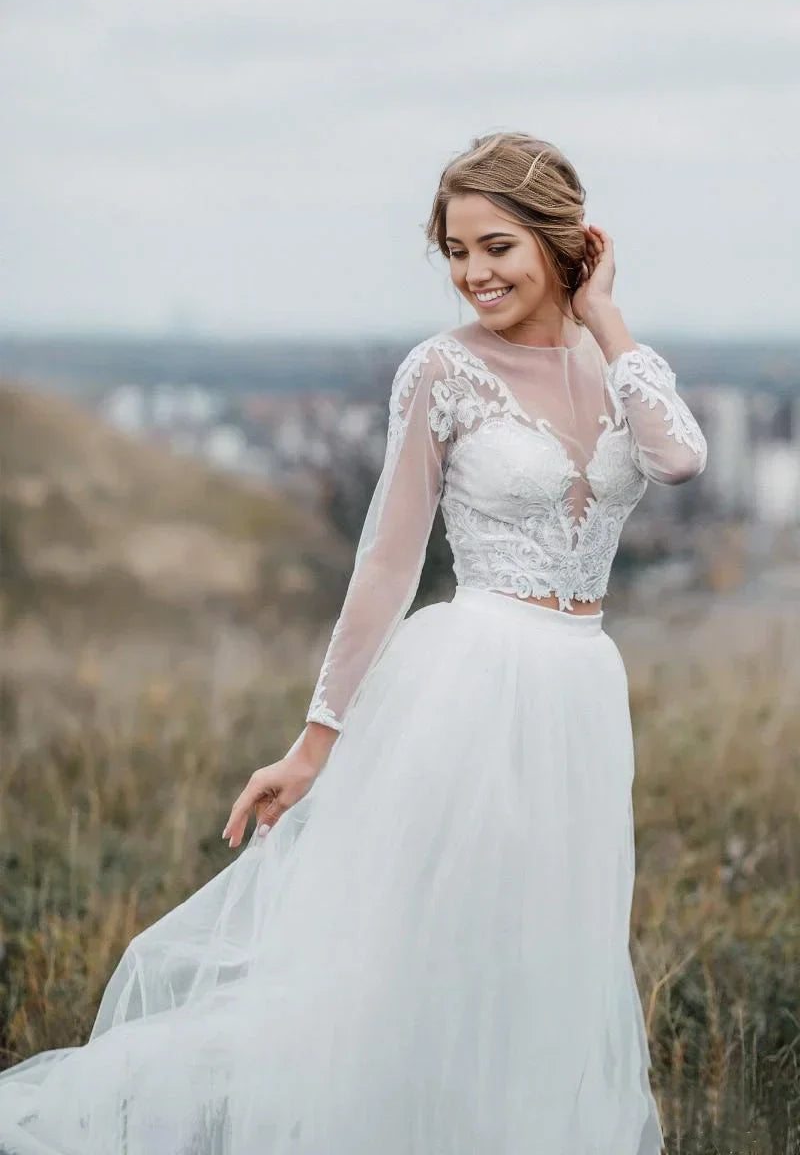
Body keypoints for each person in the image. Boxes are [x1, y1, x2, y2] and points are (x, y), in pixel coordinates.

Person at [0, 131, 707, 1154]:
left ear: (565, 239)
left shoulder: (627, 370)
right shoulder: (441, 370)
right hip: (466, 684)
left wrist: (602, 315)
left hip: (580, 699)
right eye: (454, 251)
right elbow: (383, 563)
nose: (473, 274)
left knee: (538, 957)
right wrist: (315, 741)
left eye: (496, 246)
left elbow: (679, 461)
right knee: (415, 957)